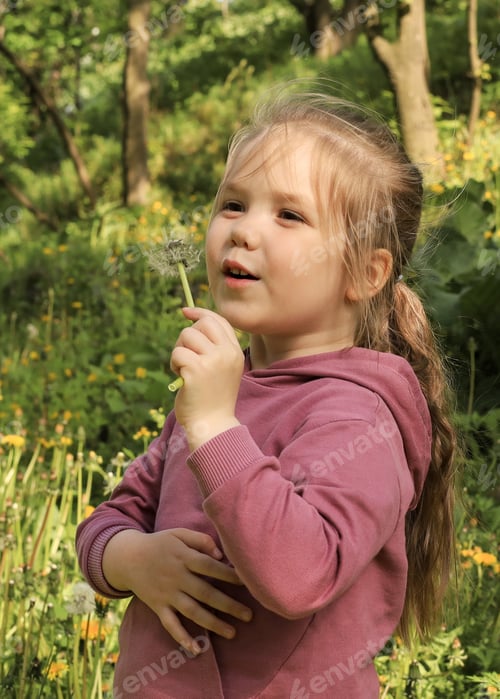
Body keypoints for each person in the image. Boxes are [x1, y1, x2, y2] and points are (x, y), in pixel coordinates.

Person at [76, 84, 458, 699]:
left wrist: (214, 429)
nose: (244, 232)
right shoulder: (220, 393)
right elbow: (111, 518)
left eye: (289, 215)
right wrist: (130, 560)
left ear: (365, 272)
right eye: (232, 204)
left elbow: (301, 574)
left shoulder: (361, 417)